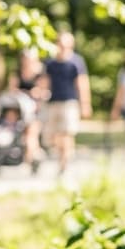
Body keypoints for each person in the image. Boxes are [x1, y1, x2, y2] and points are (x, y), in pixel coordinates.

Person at [39, 31, 90, 175]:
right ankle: (64, 154)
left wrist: (85, 103)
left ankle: (64, 163)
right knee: (53, 136)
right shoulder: (50, 62)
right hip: (53, 102)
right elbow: (45, 81)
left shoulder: (76, 61)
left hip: (70, 102)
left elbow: (82, 83)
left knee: (67, 133)